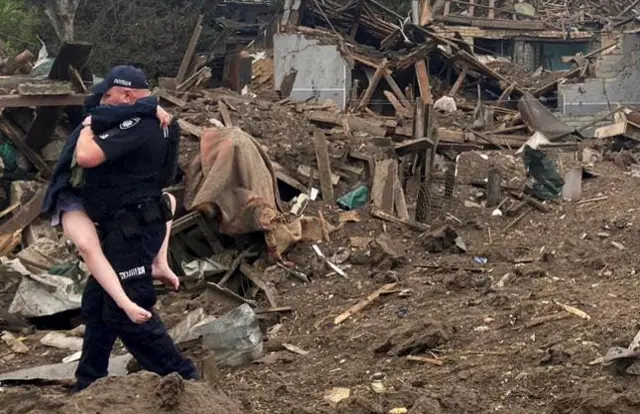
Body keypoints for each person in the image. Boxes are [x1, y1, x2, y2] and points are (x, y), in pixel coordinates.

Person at [72, 65, 198, 390]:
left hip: (132, 227)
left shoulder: (140, 125)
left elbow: (86, 156)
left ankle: (185, 379)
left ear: (127, 95)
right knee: (98, 305)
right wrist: (146, 104)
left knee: (129, 308)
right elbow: (92, 103)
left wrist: (89, 126)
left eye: (110, 97)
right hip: (129, 224)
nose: (104, 104)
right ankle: (88, 381)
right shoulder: (151, 118)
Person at [42, 82, 180, 325]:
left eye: (109, 95)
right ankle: (124, 303)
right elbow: (88, 146)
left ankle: (160, 263)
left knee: (166, 201)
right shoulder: (97, 115)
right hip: (70, 194)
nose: (106, 100)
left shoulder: (131, 119)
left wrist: (151, 109)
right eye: (105, 95)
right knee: (88, 245)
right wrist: (151, 108)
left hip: (101, 196)